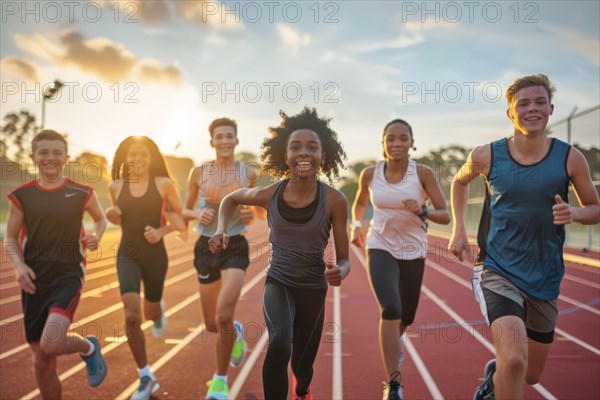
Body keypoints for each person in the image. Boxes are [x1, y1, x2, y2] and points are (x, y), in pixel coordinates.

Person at [448, 74, 600, 400]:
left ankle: (494, 378)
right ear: (510, 113)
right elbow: (459, 183)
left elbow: (595, 209)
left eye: (540, 102)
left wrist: (574, 214)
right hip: (498, 270)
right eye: (524, 103)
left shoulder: (570, 158)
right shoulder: (487, 155)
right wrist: (459, 228)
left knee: (530, 374)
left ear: (551, 108)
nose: (533, 109)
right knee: (514, 360)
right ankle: (502, 372)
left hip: (545, 277)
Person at [209, 107, 351, 400]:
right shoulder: (270, 193)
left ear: (323, 156)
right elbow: (230, 199)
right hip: (279, 281)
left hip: (313, 287)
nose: (303, 152)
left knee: (302, 367)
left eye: (312, 147)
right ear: (284, 156)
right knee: (280, 342)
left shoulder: (335, 200)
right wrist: (221, 228)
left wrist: (341, 270)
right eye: (295, 147)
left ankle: (303, 390)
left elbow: (345, 257)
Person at [3, 129, 108, 398]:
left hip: (68, 274)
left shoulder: (81, 192)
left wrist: (98, 234)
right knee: (42, 358)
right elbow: (11, 238)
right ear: (32, 157)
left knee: (51, 343)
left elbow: (100, 218)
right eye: (44, 152)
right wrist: (18, 266)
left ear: (66, 157)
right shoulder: (22, 196)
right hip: (34, 280)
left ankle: (88, 348)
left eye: (57, 153)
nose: (51, 157)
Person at [350, 119, 450, 400]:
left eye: (402, 138)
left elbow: (445, 214)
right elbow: (359, 202)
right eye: (391, 138)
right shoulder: (370, 174)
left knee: (405, 317)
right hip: (379, 245)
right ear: (383, 142)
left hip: (412, 250)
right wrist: (355, 225)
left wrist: (423, 211)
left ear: (411, 142)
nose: (396, 144)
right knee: (390, 308)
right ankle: (393, 385)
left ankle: (398, 338)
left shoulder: (423, 174)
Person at [182, 117, 257, 400]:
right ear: (211, 141)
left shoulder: (248, 173)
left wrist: (253, 213)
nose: (225, 141)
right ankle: (234, 334)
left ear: (237, 140)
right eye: (219, 136)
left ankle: (220, 380)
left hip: (235, 244)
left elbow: (258, 209)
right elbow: (184, 212)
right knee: (212, 324)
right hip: (205, 246)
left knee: (224, 314)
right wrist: (196, 215)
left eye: (229, 136)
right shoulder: (198, 173)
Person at [106, 135, 186, 400]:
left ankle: (157, 308)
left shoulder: (163, 185)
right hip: (127, 254)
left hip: (155, 257)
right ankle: (145, 376)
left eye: (143, 155)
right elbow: (119, 217)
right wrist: (111, 214)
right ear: (125, 159)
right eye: (133, 155)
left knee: (150, 314)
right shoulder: (116, 186)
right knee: (131, 315)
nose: (138, 159)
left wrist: (161, 230)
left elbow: (182, 221)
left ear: (151, 159)